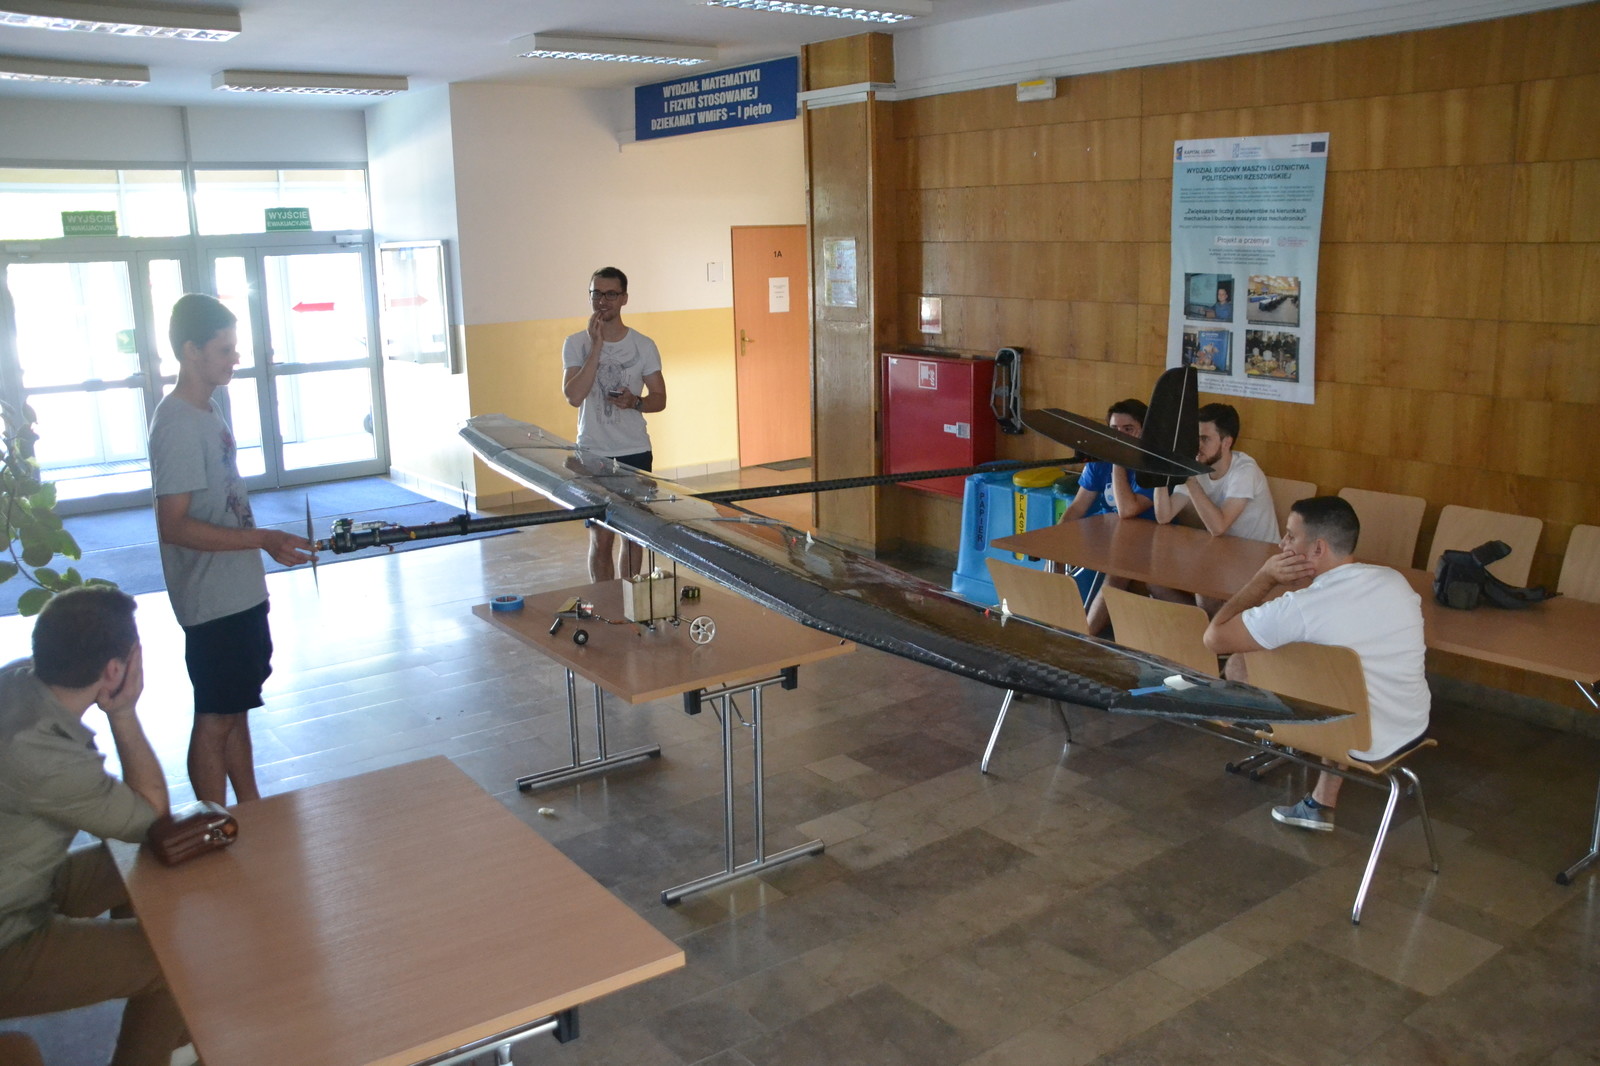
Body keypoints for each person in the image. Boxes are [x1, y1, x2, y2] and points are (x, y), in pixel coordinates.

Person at [0, 587, 190, 1066]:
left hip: (21, 879)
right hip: (9, 935)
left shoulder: (16, 680)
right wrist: (123, 712)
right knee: (171, 964)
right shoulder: (40, 755)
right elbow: (152, 818)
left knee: (139, 863)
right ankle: (154, 1018)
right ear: (114, 670)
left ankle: (159, 1021)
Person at [149, 293, 313, 806]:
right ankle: (210, 821)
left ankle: (252, 809)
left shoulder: (209, 409)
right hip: (211, 600)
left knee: (236, 710)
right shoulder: (176, 423)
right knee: (215, 717)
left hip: (238, 591)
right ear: (190, 351)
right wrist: (263, 538)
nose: (235, 358)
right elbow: (174, 526)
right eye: (224, 349)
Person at [1202, 496, 1430, 831]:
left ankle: (1262, 729)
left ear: (1318, 548)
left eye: (1290, 536)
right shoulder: (1393, 580)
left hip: (1356, 736)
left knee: (1241, 659)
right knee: (1336, 676)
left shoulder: (1301, 607)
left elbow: (1214, 637)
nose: (1281, 545)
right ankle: (1322, 802)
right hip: (1410, 723)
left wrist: (1264, 578)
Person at [561, 267, 668, 582]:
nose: (602, 301)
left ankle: (631, 600)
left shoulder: (643, 345)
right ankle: (605, 603)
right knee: (601, 537)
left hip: (634, 451)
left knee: (633, 536)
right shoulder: (575, 343)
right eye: (596, 293)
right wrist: (596, 347)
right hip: (593, 452)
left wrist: (635, 402)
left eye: (610, 294)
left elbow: (660, 398)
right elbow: (573, 396)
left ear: (624, 299)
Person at [1056, 399, 1154, 633]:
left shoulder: (1152, 467)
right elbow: (1078, 507)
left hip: (1144, 540)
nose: (1119, 436)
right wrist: (1056, 537)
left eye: (1128, 429)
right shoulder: (1098, 461)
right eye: (1113, 430)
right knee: (1053, 557)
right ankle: (1055, 622)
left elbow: (1127, 511)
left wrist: (1118, 462)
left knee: (1117, 574)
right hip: (1106, 534)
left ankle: (1087, 636)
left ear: (1143, 431)